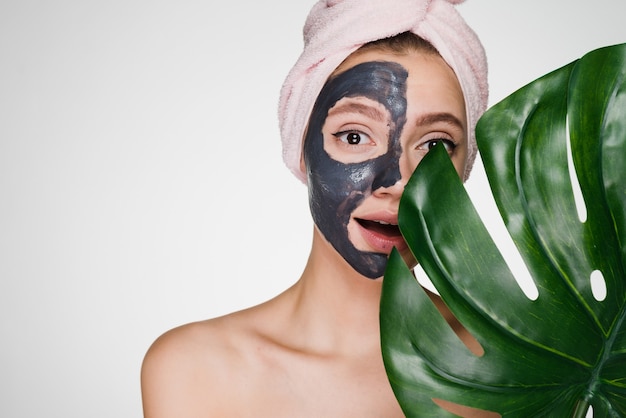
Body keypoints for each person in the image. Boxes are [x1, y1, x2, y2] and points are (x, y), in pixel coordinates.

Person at [141, 0, 488, 416]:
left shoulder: (511, 365)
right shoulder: (194, 371)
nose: (397, 183)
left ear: (465, 165)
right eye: (355, 136)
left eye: (435, 145)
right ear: (301, 148)